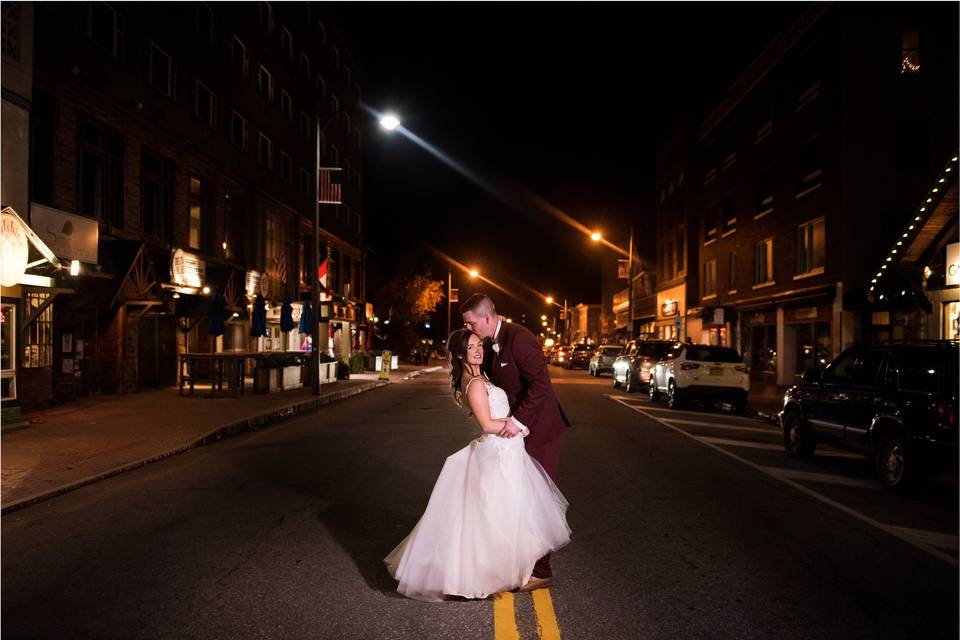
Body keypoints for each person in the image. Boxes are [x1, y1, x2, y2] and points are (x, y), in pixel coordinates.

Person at [384, 329, 570, 602]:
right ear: (460, 355)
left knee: (508, 515)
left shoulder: (484, 376)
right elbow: (487, 425)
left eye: (478, 345)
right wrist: (519, 428)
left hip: (508, 451)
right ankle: (482, 574)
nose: (478, 350)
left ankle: (507, 570)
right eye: (471, 348)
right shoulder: (474, 384)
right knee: (492, 517)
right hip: (498, 453)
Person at [460, 293, 571, 591]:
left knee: (540, 498)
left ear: (486, 317)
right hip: (516, 433)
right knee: (519, 497)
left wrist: (518, 422)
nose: (469, 327)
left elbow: (541, 386)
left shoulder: (520, 338)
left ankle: (542, 570)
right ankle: (520, 561)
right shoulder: (490, 345)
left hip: (540, 428)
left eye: (470, 322)